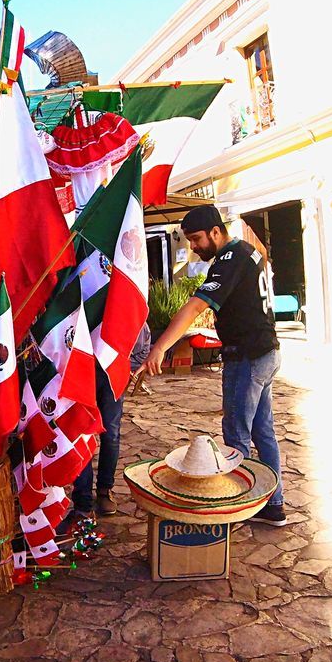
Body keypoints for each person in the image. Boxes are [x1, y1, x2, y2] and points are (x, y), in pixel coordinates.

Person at [143, 205, 286, 526]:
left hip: (247, 358)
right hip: (266, 353)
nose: (192, 247)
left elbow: (195, 307)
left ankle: (233, 511)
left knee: (236, 437)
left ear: (216, 232)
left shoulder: (229, 260)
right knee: (264, 433)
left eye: (196, 239)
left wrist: (161, 347)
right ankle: (273, 505)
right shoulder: (250, 252)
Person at [73, 322, 151, 519]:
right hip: (81, 372)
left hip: (112, 377)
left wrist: (121, 369)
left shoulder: (122, 299)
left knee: (111, 434)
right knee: (80, 434)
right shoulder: (85, 298)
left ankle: (104, 490)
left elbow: (143, 346)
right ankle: (82, 501)